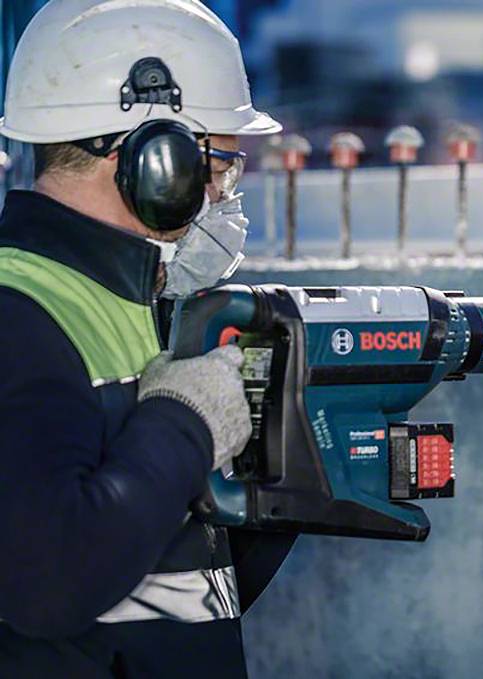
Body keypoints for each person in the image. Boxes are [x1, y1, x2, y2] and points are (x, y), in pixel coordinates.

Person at [0, 1, 295, 676]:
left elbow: (166, 584)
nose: (225, 197)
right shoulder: (18, 315)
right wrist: (186, 422)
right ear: (158, 160)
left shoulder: (134, 301)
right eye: (220, 166)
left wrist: (283, 485)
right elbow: (48, 584)